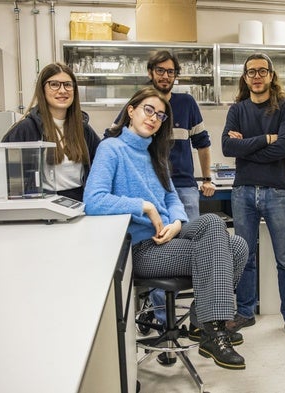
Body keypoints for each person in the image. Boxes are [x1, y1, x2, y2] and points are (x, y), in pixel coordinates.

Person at [83, 86, 248, 370]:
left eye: (160, 115)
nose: (154, 118)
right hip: (141, 248)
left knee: (227, 235)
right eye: (149, 110)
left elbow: (172, 197)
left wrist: (176, 222)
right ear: (131, 111)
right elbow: (93, 200)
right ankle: (213, 329)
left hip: (167, 237)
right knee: (229, 246)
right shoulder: (111, 148)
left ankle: (202, 320)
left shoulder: (155, 153)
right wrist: (144, 206)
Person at [111, 51, 217, 361]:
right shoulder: (140, 102)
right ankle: (162, 326)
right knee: (163, 254)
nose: (165, 75)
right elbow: (117, 137)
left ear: (176, 75)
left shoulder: (186, 104)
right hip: (151, 191)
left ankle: (199, 322)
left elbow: (203, 143)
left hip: (182, 187)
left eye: (170, 71)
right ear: (150, 72)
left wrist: (207, 177)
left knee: (203, 251)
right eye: (159, 70)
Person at [221, 53, 285, 344]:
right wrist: (264, 139)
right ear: (245, 78)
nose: (256, 76)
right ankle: (245, 312)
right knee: (245, 257)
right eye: (250, 72)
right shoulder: (237, 109)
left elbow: (283, 148)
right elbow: (227, 147)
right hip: (243, 190)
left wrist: (247, 145)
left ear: (271, 75)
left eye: (262, 71)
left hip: (277, 191)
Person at [0, 62, 100, 202]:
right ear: (42, 89)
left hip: (80, 205)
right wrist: (17, 212)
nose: (62, 90)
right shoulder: (26, 129)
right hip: (42, 206)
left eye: (68, 85)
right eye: (54, 84)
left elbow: (102, 165)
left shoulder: (83, 129)